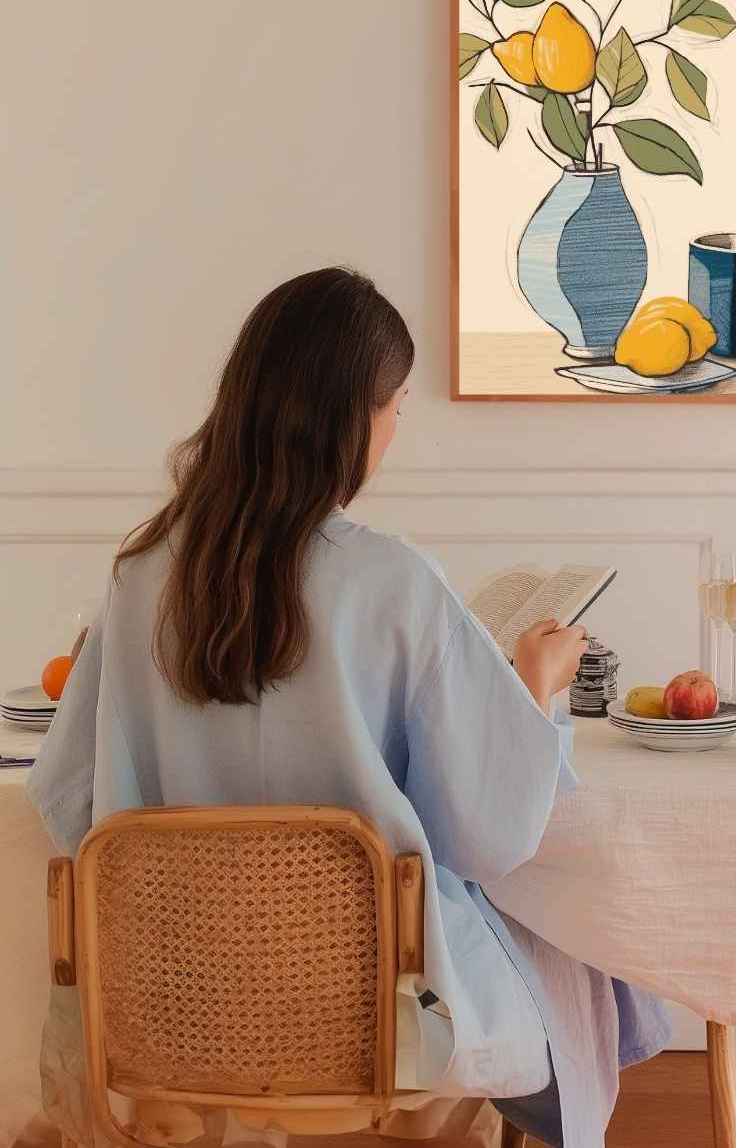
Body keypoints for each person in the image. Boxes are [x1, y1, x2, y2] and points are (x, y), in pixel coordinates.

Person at [28, 267, 670, 1148]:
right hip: (377, 1015)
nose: (395, 430)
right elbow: (490, 832)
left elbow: (66, 801)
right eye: (398, 406)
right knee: (567, 940)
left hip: (171, 1006)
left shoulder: (141, 578)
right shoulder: (391, 581)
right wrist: (532, 687)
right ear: (354, 415)